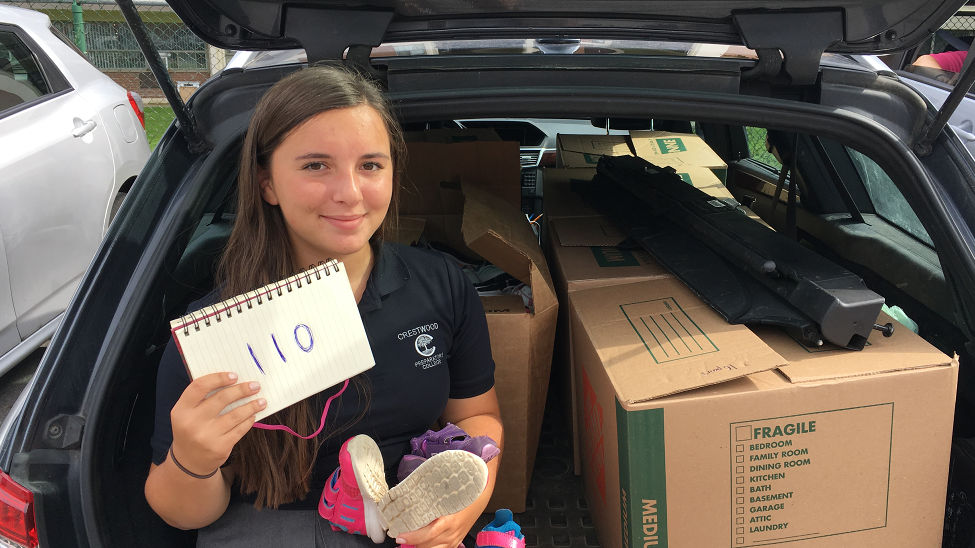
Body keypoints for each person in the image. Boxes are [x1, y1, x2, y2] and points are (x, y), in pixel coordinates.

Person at [144, 64, 504, 548]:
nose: (350, 193)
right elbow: (183, 514)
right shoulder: (219, 330)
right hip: (266, 526)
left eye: (370, 166)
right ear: (267, 183)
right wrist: (193, 458)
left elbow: (478, 418)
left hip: (409, 519)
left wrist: (469, 501)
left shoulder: (439, 284)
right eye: (316, 165)